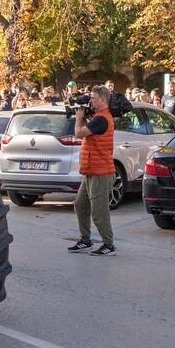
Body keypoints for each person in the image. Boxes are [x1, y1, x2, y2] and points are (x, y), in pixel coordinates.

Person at [67, 87, 117, 257]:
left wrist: (79, 118)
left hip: (101, 172)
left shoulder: (101, 119)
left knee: (99, 212)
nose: (90, 101)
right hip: (91, 170)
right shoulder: (97, 117)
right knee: (80, 205)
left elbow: (79, 133)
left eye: (94, 98)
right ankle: (85, 239)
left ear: (102, 100)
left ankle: (108, 244)